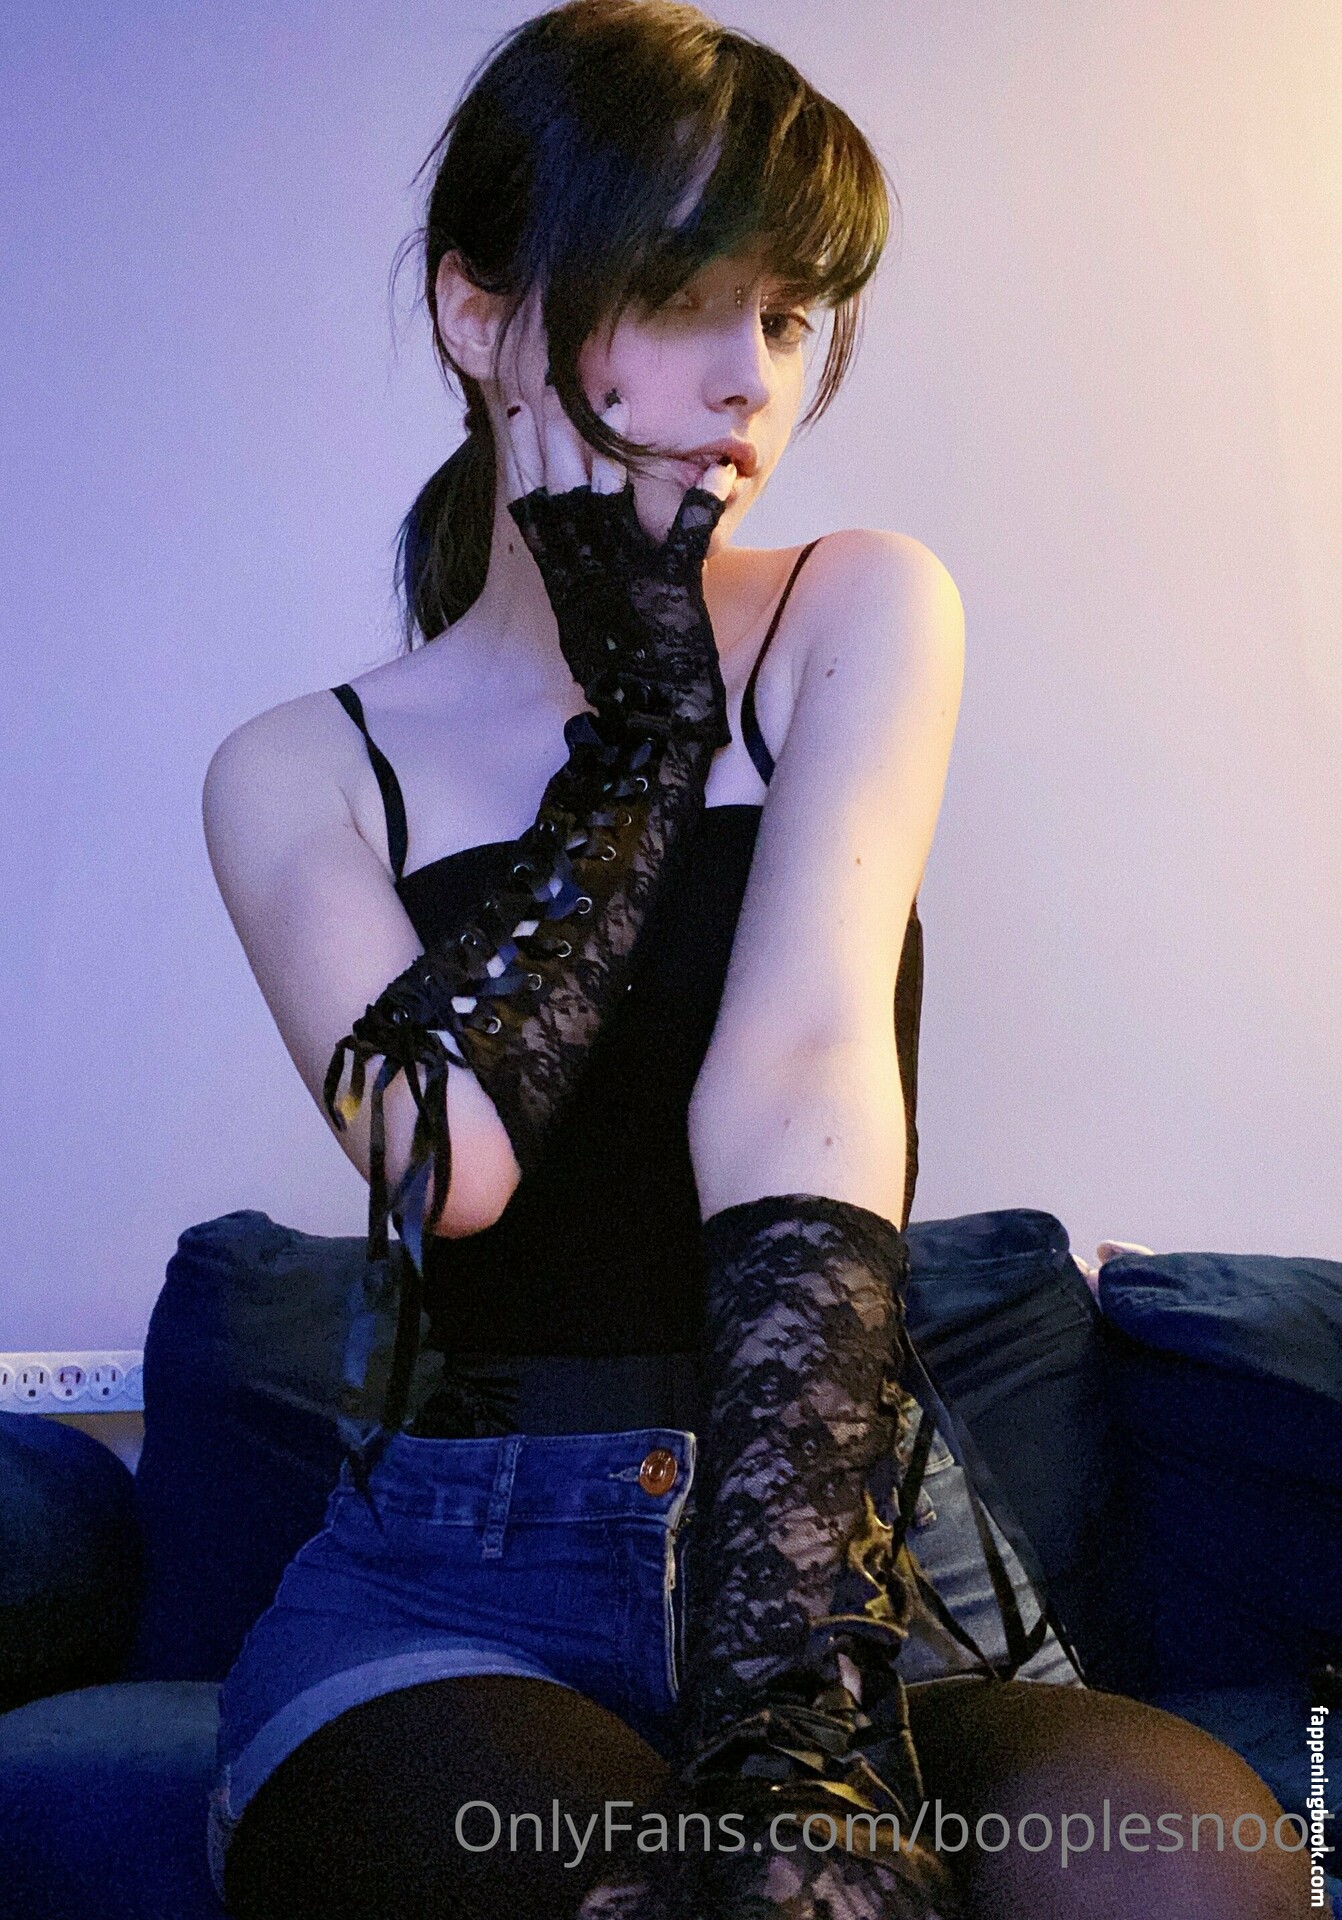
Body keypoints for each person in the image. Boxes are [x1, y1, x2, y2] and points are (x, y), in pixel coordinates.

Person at [199, 3, 1310, 1915]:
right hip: (459, 1580)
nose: (747, 381)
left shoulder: (855, 606)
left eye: (788, 317)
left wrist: (792, 1701)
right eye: (677, 293)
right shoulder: (298, 768)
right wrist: (640, 730)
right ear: (477, 312)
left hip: (847, 1547)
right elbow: (448, 1163)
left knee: (1188, 1876)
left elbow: (804, 1069)